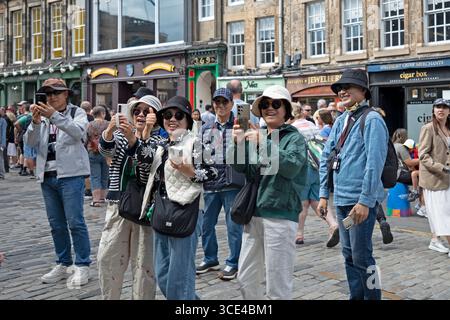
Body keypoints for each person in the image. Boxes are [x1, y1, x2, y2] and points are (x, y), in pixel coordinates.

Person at [132, 96, 218, 300]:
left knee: (180, 277)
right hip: (162, 211)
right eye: (168, 115)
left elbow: (213, 173)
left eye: (179, 115)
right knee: (163, 275)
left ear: (188, 120)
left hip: (187, 212)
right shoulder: (161, 144)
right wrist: (142, 135)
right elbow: (142, 158)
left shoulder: (195, 144)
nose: (172, 119)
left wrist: (191, 172)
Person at [231, 85, 307, 299]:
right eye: (265, 104)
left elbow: (291, 167)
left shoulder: (294, 138)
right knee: (245, 277)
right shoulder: (257, 135)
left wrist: (263, 142)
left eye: (276, 104)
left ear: (286, 109)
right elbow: (239, 166)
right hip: (253, 214)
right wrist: (237, 142)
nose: (269, 108)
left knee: (277, 284)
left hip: (280, 215)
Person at [318, 69, 388, 300]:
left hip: (360, 204)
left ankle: (374, 296)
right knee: (348, 254)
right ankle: (355, 296)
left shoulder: (373, 119)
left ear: (363, 91)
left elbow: (374, 164)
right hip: (341, 202)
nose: (342, 91)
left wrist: (366, 201)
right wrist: (323, 195)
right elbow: (326, 158)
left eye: (348, 86)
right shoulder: (341, 120)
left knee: (363, 257)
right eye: (339, 88)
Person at [24, 78, 92, 286]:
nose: (52, 97)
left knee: (75, 222)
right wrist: (35, 123)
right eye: (48, 93)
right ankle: (63, 263)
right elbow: (30, 142)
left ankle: (82, 265)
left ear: (66, 95)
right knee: (56, 225)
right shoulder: (43, 117)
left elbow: (78, 133)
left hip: (71, 175)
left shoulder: (76, 113)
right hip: (47, 176)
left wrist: (53, 116)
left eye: (56, 93)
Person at [97, 94, 163, 300]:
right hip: (118, 204)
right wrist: (109, 130)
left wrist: (138, 139)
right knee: (108, 259)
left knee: (144, 265)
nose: (141, 115)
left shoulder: (160, 139)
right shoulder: (122, 134)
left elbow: (146, 170)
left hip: (145, 208)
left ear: (156, 116)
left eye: (147, 111)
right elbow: (105, 151)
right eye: (137, 111)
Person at [196, 87, 245, 281]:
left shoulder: (241, 125)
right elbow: (199, 155)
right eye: (217, 102)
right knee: (206, 225)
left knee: (233, 226)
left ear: (232, 104)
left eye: (225, 102)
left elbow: (249, 153)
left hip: (233, 183)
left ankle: (234, 262)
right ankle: (210, 258)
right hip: (211, 184)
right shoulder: (206, 128)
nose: (221, 106)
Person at [291, 103, 339, 247]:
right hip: (317, 167)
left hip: (302, 168)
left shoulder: (293, 128)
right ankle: (333, 223)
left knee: (303, 203)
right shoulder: (312, 125)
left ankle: (299, 234)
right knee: (317, 199)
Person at [418, 98, 450, 257]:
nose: (441, 110)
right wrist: (441, 168)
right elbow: (423, 155)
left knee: (443, 212)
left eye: (444, 107)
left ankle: (435, 240)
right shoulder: (428, 128)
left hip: (447, 179)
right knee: (443, 213)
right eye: (438, 107)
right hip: (435, 178)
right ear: (433, 110)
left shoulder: (448, 129)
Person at [86, 106, 110, 207]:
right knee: (105, 176)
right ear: (103, 113)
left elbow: (85, 138)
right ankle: (102, 198)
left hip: (93, 151)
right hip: (107, 153)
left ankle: (95, 200)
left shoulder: (89, 125)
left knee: (95, 176)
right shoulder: (108, 124)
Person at [0, 109, 6, 179]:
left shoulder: (2, 121)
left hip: (0, 143)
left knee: (0, 159)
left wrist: (3, 144)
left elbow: (3, 133)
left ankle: (1, 174)